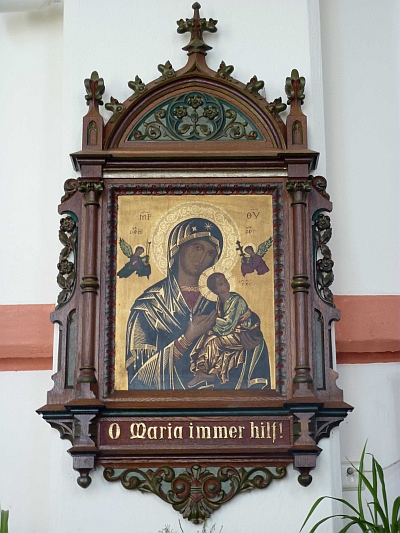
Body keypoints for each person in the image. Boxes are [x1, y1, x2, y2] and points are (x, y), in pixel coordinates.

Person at [125, 217, 270, 390]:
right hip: (166, 403)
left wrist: (252, 341)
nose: (202, 258)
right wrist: (186, 339)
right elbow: (138, 378)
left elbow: (244, 333)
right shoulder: (149, 306)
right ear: (177, 248)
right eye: (198, 247)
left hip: (222, 401)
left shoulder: (218, 300)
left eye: (210, 253)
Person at [188, 273, 268, 388]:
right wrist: (209, 325)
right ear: (215, 290)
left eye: (225, 281)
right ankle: (202, 372)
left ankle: (210, 373)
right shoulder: (220, 302)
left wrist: (211, 320)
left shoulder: (236, 300)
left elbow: (227, 325)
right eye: (221, 284)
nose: (226, 284)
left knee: (214, 342)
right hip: (233, 332)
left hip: (244, 334)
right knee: (206, 337)